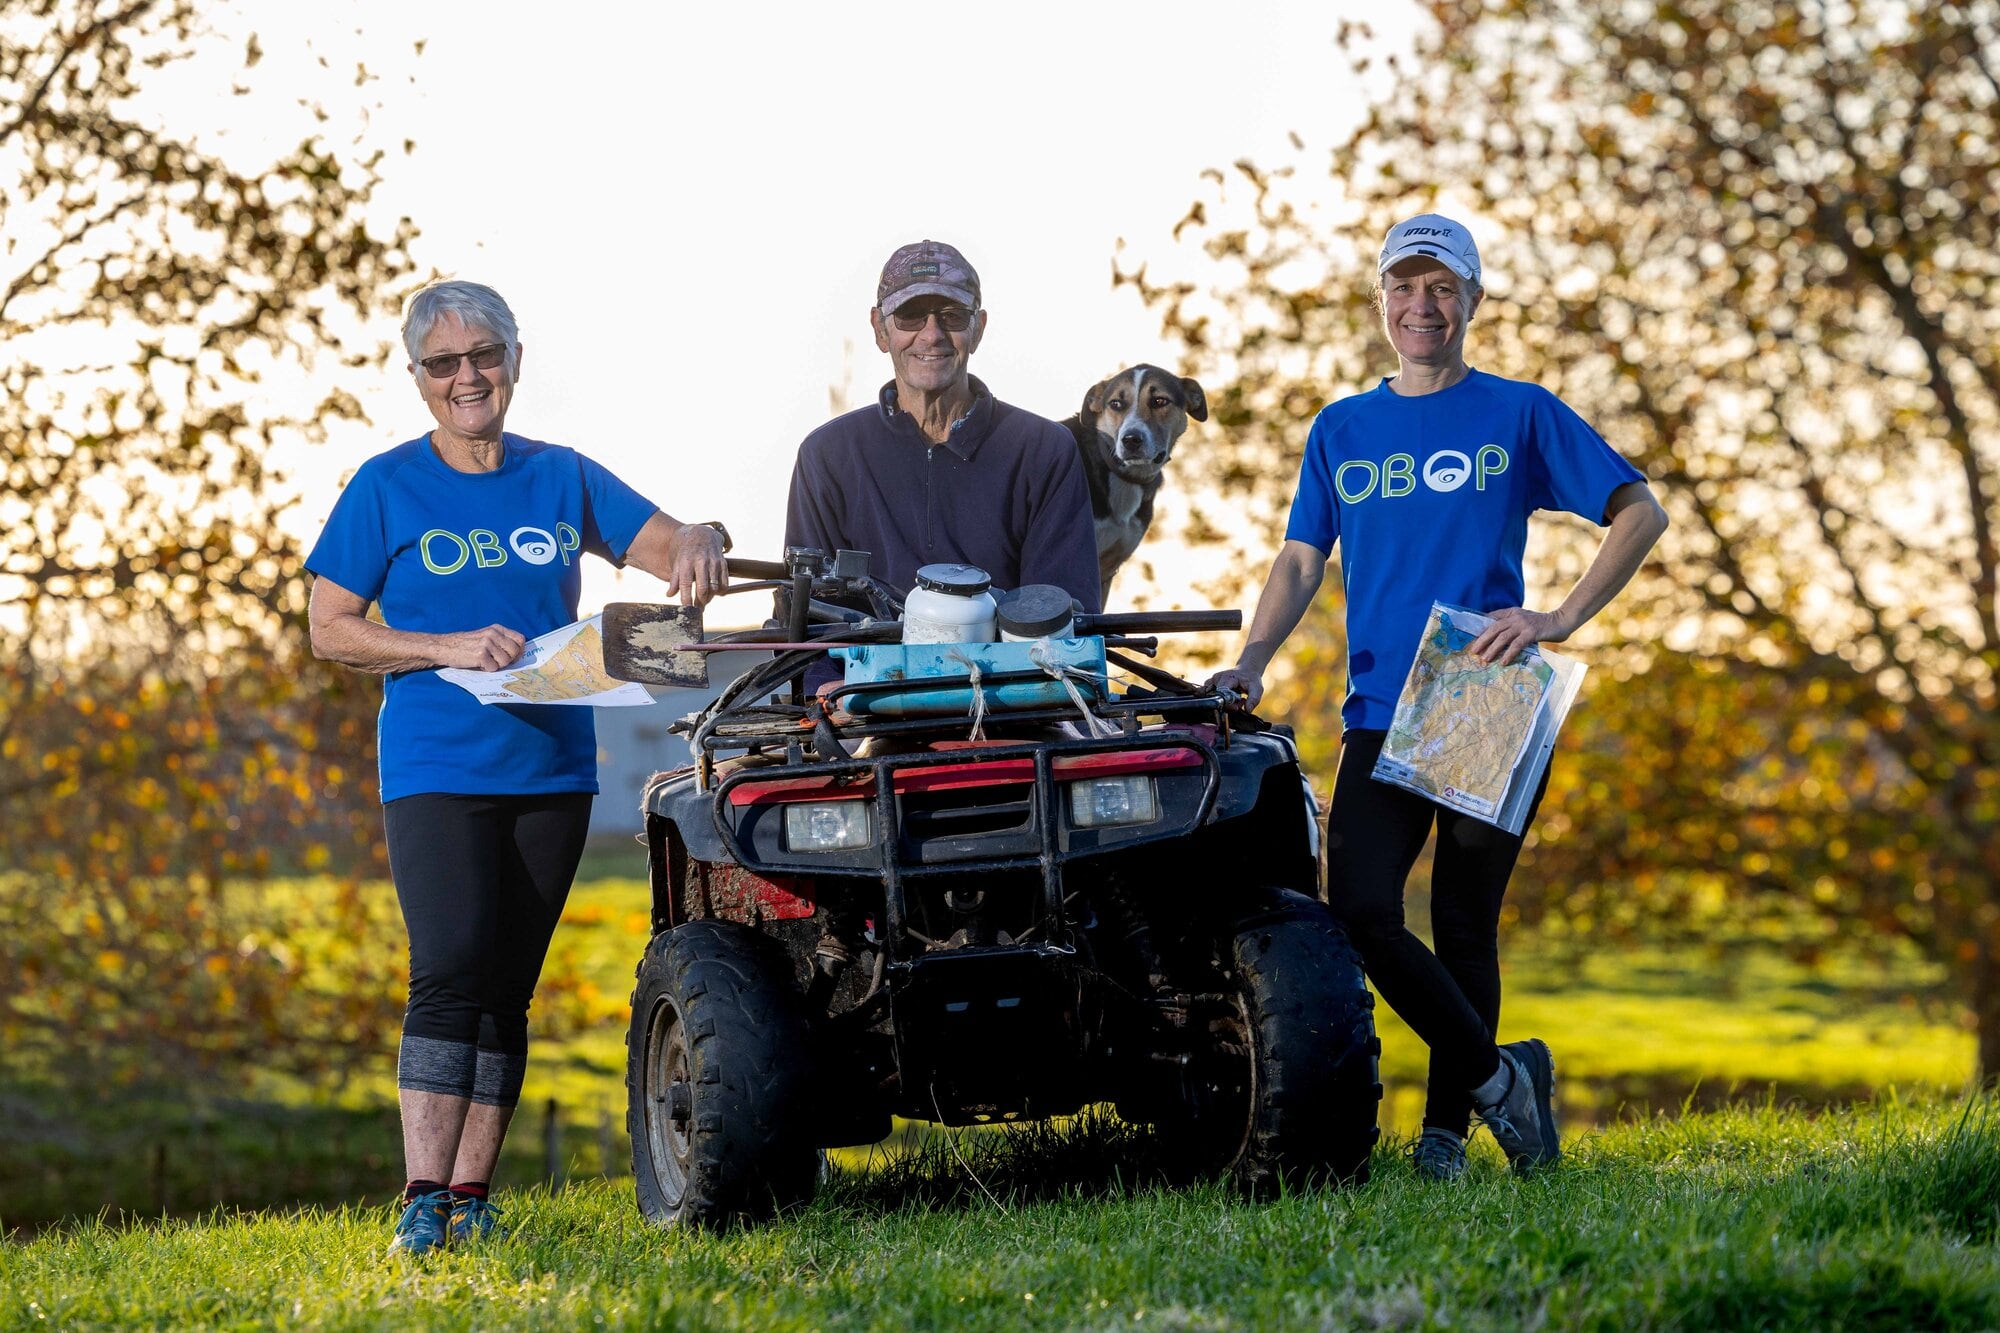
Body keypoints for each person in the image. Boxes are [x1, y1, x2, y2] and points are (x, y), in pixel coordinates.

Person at [1208, 215, 1668, 1181]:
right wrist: (1252, 657)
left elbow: (1640, 508)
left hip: (1483, 690)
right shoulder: (1342, 428)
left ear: (1472, 302)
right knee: (1361, 906)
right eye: (1404, 286)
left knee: (1463, 922)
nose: (1422, 305)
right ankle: (1504, 1078)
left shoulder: (1520, 411)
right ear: (1381, 300)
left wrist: (1561, 615)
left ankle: (1446, 1140)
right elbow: (1301, 557)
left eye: (1442, 287)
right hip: (1378, 702)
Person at [305, 279, 728, 1255]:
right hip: (436, 767)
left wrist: (699, 542)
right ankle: (419, 1199)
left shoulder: (560, 476)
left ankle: (471, 1195)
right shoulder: (385, 486)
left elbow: (666, 548)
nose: (467, 377)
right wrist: (445, 645)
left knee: (506, 985)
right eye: (444, 363)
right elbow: (331, 629)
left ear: (514, 361)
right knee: (449, 967)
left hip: (551, 769)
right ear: (417, 379)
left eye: (482, 355)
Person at [785, 239, 1101, 613]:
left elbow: (1063, 616)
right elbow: (807, 620)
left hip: (1011, 672)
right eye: (910, 315)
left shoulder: (1045, 449)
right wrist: (837, 674)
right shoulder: (828, 454)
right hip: (863, 673)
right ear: (880, 330)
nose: (932, 334)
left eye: (952, 315)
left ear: (978, 328)